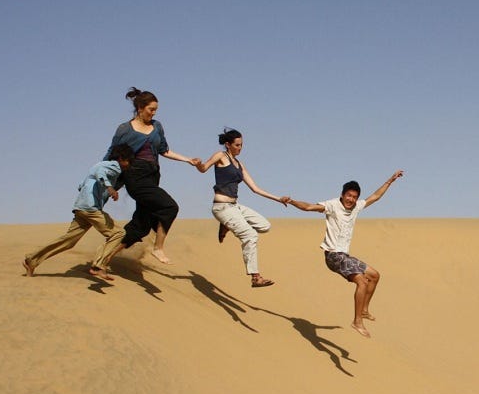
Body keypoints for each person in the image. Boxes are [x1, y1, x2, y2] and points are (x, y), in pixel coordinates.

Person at [282, 170, 404, 338]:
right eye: (348, 196)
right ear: (342, 195)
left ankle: (365, 310)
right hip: (333, 256)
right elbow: (309, 207)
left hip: (344, 256)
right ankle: (357, 321)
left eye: (354, 197)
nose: (351, 199)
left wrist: (390, 181)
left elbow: (375, 196)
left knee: (375, 276)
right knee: (362, 281)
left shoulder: (356, 207)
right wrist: (293, 201)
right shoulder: (332, 205)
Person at [103, 87, 200, 265]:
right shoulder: (124, 129)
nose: (153, 113)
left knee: (141, 225)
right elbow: (111, 154)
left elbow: (164, 150)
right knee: (169, 207)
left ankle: (103, 258)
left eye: (156, 110)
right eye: (151, 109)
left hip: (152, 176)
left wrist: (188, 160)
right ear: (140, 108)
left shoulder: (157, 127)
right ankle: (158, 248)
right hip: (135, 176)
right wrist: (104, 181)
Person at [23, 145, 134, 281]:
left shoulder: (98, 165)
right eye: (129, 161)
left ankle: (32, 260)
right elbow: (100, 173)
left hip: (81, 206)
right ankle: (98, 266)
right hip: (90, 208)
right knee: (118, 233)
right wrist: (110, 188)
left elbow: (81, 185)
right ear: (121, 158)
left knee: (69, 241)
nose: (128, 165)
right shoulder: (114, 166)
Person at [195, 128, 288, 288]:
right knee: (250, 235)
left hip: (234, 206)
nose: (240, 148)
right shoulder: (220, 156)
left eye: (241, 145)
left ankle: (226, 225)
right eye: (237, 145)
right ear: (228, 144)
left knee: (265, 226)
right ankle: (255, 277)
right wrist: (198, 164)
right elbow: (204, 168)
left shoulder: (239, 164)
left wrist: (278, 199)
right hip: (222, 207)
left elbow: (255, 188)